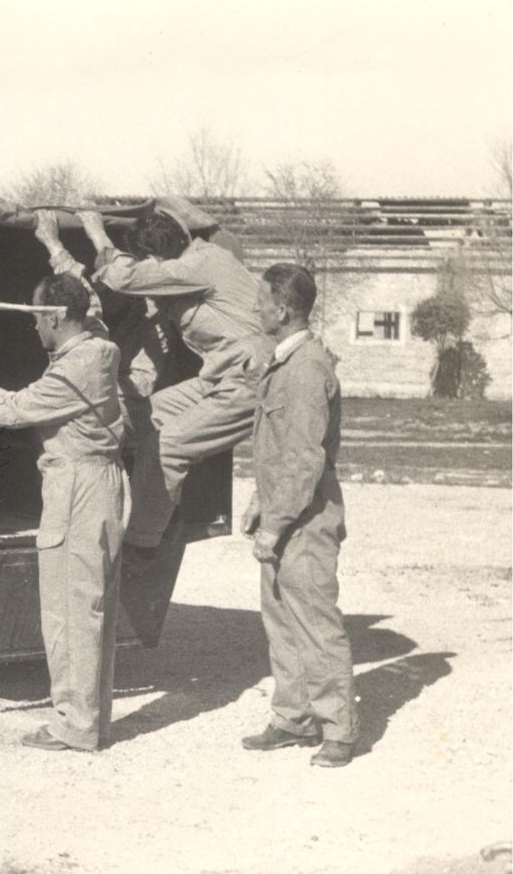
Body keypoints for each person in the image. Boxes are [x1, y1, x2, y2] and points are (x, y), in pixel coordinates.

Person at [34, 204, 273, 553]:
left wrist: (94, 231)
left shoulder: (203, 262)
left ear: (158, 259)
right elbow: (90, 300)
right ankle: (117, 512)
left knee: (169, 444)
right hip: (219, 379)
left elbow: (121, 277)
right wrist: (57, 251)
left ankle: (139, 546)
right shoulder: (174, 289)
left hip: (254, 378)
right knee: (146, 416)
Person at [0, 272, 128, 752]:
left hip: (77, 485)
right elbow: (91, 311)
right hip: (101, 482)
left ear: (57, 317)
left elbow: (15, 410)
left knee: (69, 610)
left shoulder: (73, 369)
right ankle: (89, 721)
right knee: (92, 608)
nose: (34, 330)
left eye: (38, 319)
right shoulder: (100, 346)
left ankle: (74, 726)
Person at [240, 263, 357, 768]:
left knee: (315, 624)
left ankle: (338, 731)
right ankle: (293, 719)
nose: (256, 308)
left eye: (262, 300)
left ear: (283, 309)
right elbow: (278, 448)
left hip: (305, 521)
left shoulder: (306, 367)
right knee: (282, 622)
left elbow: (306, 458)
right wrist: (258, 503)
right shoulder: (284, 360)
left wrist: (275, 523)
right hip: (285, 512)